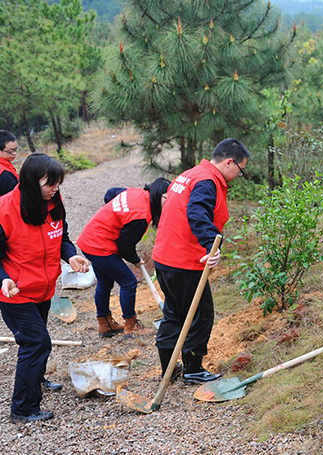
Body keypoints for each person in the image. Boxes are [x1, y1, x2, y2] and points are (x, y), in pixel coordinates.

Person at [0, 153, 90, 422]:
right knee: (37, 343)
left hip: (43, 287)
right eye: (49, 184)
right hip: (15, 291)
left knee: (36, 341)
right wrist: (3, 278)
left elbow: (62, 236)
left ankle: (36, 379)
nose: (55, 189)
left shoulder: (53, 202)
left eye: (58, 183)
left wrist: (70, 255)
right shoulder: (5, 210)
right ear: (30, 182)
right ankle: (23, 408)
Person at [151, 139, 249, 384]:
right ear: (229, 162)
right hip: (183, 261)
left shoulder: (191, 174)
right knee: (200, 314)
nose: (239, 175)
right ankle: (192, 368)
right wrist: (210, 243)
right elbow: (196, 212)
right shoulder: (206, 181)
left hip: (164, 259)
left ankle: (169, 367)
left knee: (173, 313)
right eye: (240, 169)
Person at [77, 177, 171, 338]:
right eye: (167, 199)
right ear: (157, 194)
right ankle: (131, 325)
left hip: (89, 239)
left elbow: (110, 193)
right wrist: (135, 259)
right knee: (128, 282)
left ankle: (105, 324)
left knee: (105, 282)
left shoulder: (137, 193)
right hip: (100, 245)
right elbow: (125, 246)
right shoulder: (140, 216)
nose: (169, 203)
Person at [0, 130, 20, 195]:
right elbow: (14, 198)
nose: (14, 153)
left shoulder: (5, 165)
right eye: (11, 151)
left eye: (16, 149)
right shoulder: (5, 175)